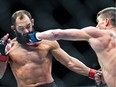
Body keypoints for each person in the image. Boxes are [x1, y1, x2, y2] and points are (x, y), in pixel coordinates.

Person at [0, 10, 100, 87]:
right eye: (21, 28)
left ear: (33, 22)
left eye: (28, 26)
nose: (26, 31)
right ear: (14, 28)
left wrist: (92, 73)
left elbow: (69, 62)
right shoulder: (9, 47)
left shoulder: (47, 42)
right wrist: (3, 56)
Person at [28, 7, 116, 87]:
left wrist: (35, 36)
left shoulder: (99, 35)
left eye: (98, 22)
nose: (96, 26)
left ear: (106, 21)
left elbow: (55, 34)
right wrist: (105, 71)